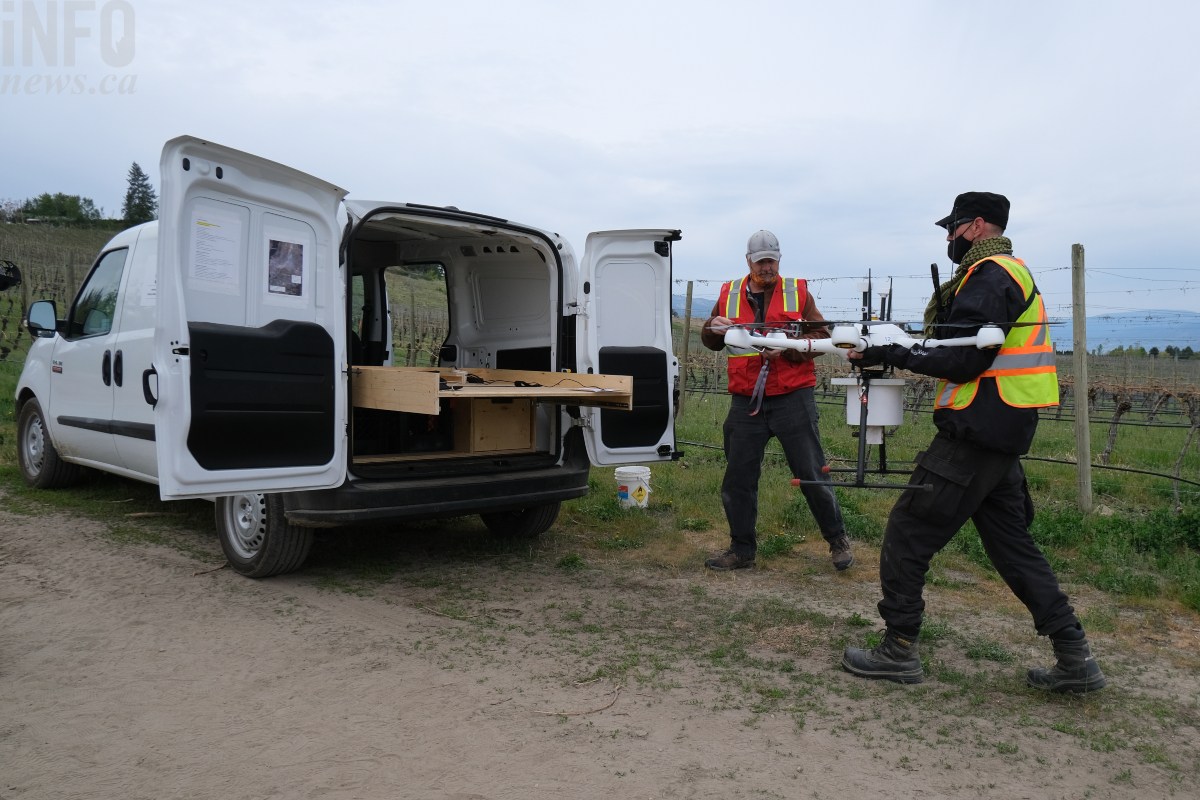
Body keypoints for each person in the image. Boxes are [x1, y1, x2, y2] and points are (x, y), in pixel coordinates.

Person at [841, 192, 1106, 693]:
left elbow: (965, 360)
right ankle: (1075, 657)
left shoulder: (988, 276)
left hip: (977, 428)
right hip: (1004, 429)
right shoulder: (1013, 273)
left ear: (978, 225)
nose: (949, 238)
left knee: (908, 532)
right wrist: (898, 347)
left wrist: (893, 352)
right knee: (1012, 547)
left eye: (953, 228)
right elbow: (961, 345)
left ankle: (898, 649)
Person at [699, 230, 853, 572]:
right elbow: (712, 340)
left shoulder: (798, 292)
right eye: (760, 262)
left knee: (811, 472)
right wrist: (712, 326)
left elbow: (821, 336)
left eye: (771, 261)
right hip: (746, 401)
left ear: (779, 260)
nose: (766, 267)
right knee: (738, 478)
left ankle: (837, 541)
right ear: (748, 261)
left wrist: (787, 349)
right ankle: (742, 550)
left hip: (792, 397)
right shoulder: (729, 293)